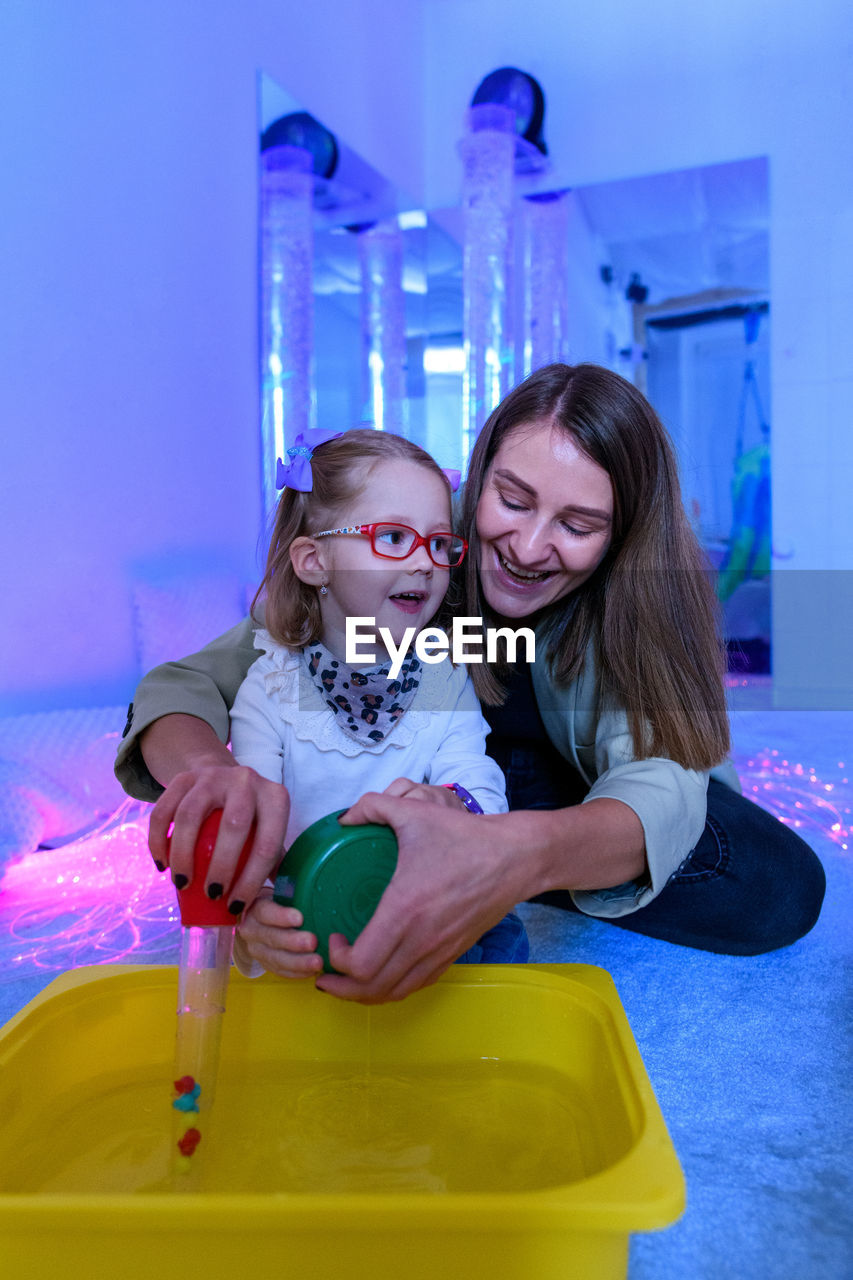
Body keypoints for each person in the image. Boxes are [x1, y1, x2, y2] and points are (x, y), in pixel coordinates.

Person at [116, 364, 825, 1003]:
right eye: (511, 501)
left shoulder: (634, 600)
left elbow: (662, 784)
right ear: (479, 478)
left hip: (561, 791)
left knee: (774, 886)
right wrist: (220, 788)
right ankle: (423, 853)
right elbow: (194, 684)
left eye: (576, 525)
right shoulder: (412, 545)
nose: (525, 547)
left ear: (619, 539)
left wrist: (513, 855)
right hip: (421, 771)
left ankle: (481, 856)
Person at [149, 426, 526, 976]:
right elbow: (248, 819)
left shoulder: (446, 678)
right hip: (311, 910)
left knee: (500, 943)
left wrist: (456, 805)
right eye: (394, 537)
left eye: (440, 544)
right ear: (312, 562)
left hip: (425, 904)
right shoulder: (270, 690)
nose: (425, 562)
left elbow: (478, 777)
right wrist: (251, 916)